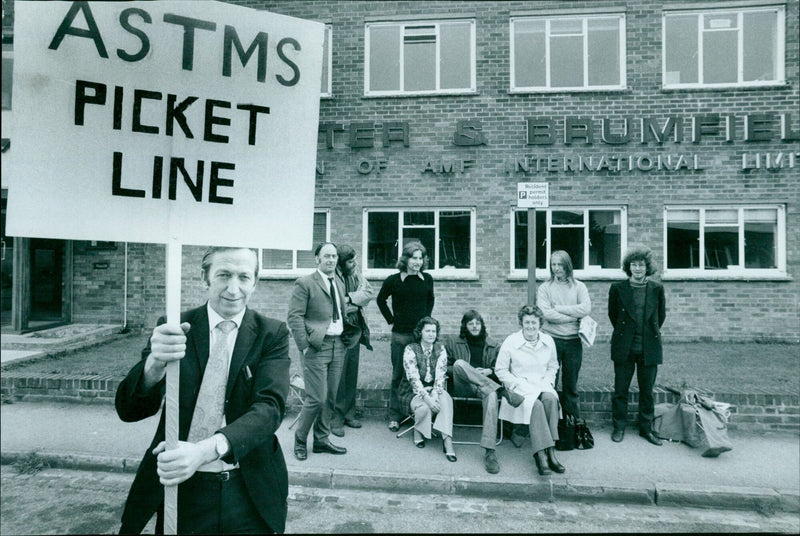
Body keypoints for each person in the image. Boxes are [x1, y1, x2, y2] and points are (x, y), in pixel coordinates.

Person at [115, 247, 290, 534]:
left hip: (248, 489)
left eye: (244, 277)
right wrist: (154, 364)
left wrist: (204, 451)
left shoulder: (272, 333)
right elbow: (129, 410)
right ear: (205, 277)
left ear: (255, 282)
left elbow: (270, 408)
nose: (234, 289)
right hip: (183, 490)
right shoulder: (174, 327)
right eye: (223, 275)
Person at [287, 242, 348, 461]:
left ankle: (321, 440)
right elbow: (294, 317)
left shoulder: (338, 281)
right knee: (316, 397)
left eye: (334, 256)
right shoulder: (305, 283)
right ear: (317, 259)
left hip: (338, 345)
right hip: (316, 347)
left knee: (330, 396)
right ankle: (300, 439)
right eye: (326, 256)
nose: (331, 260)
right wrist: (304, 346)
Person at [495, 305, 565, 477]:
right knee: (537, 406)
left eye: (534, 322)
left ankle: (551, 451)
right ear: (521, 323)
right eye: (527, 322)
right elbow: (500, 370)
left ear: (540, 323)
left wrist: (548, 381)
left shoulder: (548, 341)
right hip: (520, 387)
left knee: (550, 400)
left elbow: (553, 366)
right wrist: (516, 383)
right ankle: (541, 455)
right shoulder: (511, 341)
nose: (530, 326)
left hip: (541, 384)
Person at [444, 309, 517, 474]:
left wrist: (489, 372)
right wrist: (470, 372)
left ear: (482, 325)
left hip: (484, 388)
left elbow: (501, 369)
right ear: (465, 326)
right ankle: (501, 391)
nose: (475, 326)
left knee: (491, 395)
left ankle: (490, 451)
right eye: (471, 323)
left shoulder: (493, 345)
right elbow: (444, 367)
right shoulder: (453, 342)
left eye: (477, 323)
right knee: (459, 364)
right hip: (463, 387)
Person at [608, 246, 667, 446]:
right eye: (634, 264)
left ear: (647, 267)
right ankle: (618, 427)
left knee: (647, 392)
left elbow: (660, 317)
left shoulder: (657, 289)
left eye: (641, 265)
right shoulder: (618, 288)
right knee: (620, 390)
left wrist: (647, 334)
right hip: (624, 346)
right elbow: (613, 316)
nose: (638, 268)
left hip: (649, 346)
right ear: (628, 267)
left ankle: (646, 429)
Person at [376, 241, 435, 432]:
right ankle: (394, 415)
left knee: (419, 375)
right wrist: (391, 319)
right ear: (406, 259)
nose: (418, 262)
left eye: (420, 258)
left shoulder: (427, 279)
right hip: (400, 335)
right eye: (414, 258)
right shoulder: (393, 280)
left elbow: (430, 300)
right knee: (398, 375)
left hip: (420, 337)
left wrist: (425, 321)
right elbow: (380, 300)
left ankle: (416, 413)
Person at [536, 250, 591, 420]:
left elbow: (586, 309)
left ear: (567, 265)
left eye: (560, 264)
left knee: (570, 386)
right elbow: (545, 314)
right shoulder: (545, 288)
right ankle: (550, 425)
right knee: (549, 383)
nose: (556, 268)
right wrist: (573, 318)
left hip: (574, 342)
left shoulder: (579, 286)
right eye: (553, 264)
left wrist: (559, 309)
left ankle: (572, 426)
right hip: (552, 341)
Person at [331, 244, 375, 437]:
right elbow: (335, 303)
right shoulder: (332, 276)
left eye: (354, 259)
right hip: (339, 331)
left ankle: (349, 414)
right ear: (341, 263)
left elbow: (369, 293)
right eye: (350, 261)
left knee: (351, 373)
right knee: (338, 377)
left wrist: (349, 299)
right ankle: (336, 417)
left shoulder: (356, 274)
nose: (354, 263)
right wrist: (351, 303)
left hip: (355, 330)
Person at [398, 316, 457, 462]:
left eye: (434, 331)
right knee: (424, 408)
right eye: (427, 331)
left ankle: (447, 440)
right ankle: (418, 431)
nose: (431, 334)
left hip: (434, 389)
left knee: (446, 400)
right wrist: (429, 400)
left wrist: (436, 394)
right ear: (420, 332)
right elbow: (414, 379)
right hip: (413, 391)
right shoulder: (410, 349)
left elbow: (440, 375)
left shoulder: (440, 349)